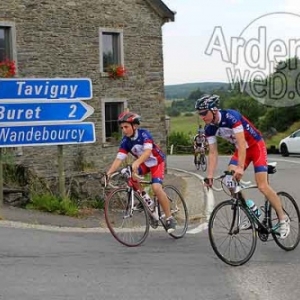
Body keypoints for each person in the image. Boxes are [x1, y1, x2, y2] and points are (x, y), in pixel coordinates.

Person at [195, 94, 290, 239]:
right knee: (228, 180)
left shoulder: (231, 117)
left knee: (262, 186)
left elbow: (241, 142)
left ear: (214, 110)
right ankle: (251, 210)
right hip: (241, 150)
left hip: (255, 146)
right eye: (199, 114)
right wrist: (209, 175)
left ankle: (283, 219)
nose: (202, 117)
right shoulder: (209, 129)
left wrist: (240, 167)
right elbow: (213, 153)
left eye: (204, 113)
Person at [105, 111, 176, 233]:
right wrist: (108, 174)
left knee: (156, 187)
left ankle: (169, 217)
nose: (124, 130)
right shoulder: (125, 141)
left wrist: (136, 163)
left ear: (135, 126)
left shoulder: (144, 134)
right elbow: (118, 159)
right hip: (144, 164)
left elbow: (148, 152)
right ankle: (146, 200)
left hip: (156, 162)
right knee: (129, 175)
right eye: (122, 128)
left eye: (126, 127)